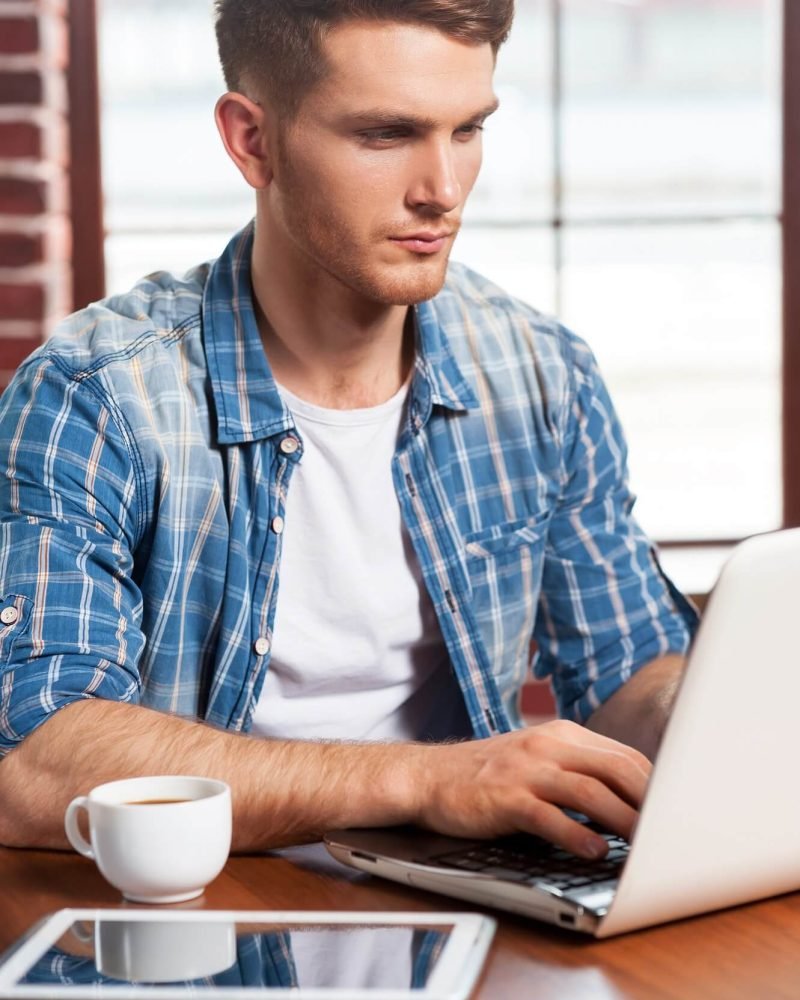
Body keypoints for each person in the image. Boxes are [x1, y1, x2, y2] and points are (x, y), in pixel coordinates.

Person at [0, 0, 696, 860]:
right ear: (252, 140)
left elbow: (628, 667)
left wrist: (720, 717)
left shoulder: (539, 371)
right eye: (385, 135)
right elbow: (33, 763)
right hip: (209, 924)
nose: (442, 189)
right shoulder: (97, 396)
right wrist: (432, 782)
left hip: (472, 906)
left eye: (468, 129)